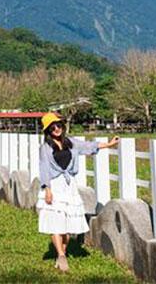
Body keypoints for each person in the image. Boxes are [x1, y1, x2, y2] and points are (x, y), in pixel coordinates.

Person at [36, 112, 119, 272]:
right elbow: (44, 168)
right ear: (48, 130)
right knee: (55, 221)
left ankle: (63, 253)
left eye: (59, 125)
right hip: (54, 185)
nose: (56, 128)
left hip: (69, 186)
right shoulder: (45, 148)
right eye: (52, 127)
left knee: (67, 226)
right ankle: (61, 255)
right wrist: (47, 189)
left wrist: (108, 145)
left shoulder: (71, 143)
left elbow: (88, 147)